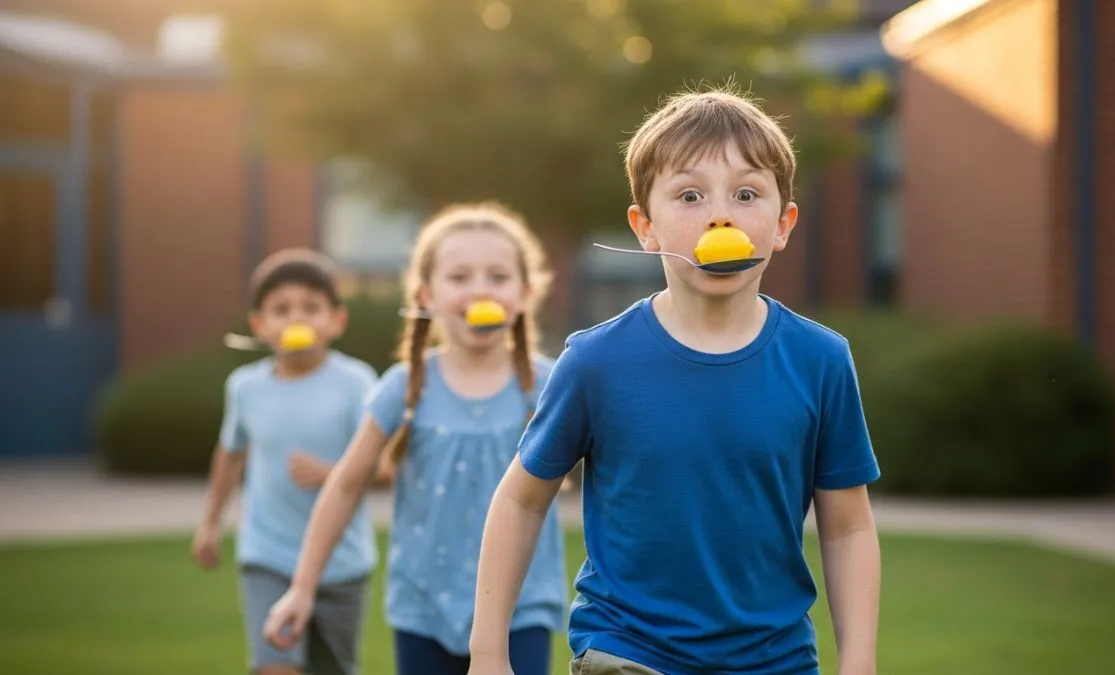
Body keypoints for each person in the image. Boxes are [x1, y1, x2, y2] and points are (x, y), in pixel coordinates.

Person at [468, 85, 883, 675]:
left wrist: (859, 662)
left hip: (775, 661)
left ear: (783, 223)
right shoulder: (595, 361)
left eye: (746, 194)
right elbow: (521, 498)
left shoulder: (821, 360)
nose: (721, 215)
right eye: (689, 195)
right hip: (627, 651)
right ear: (646, 227)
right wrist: (488, 653)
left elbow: (847, 528)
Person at [263, 203, 567, 675]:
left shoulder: (551, 386)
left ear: (525, 293)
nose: (481, 289)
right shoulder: (404, 387)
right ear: (426, 294)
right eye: (460, 276)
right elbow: (345, 485)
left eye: (498, 276)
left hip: (521, 607)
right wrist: (303, 587)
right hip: (423, 610)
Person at [191, 248, 380, 675]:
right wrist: (209, 523)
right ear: (259, 325)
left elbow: (383, 468)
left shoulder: (357, 383)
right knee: (276, 666)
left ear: (337, 321)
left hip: (342, 563)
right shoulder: (244, 388)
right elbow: (230, 454)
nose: (296, 319)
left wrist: (333, 474)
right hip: (267, 555)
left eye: (311, 308)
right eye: (281, 309)